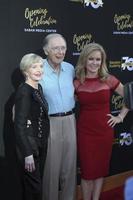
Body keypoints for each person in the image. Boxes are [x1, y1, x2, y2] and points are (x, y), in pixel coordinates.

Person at [74, 43, 129, 200]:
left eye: (98, 59)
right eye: (91, 59)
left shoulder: (109, 80)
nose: (94, 63)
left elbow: (129, 96)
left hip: (104, 132)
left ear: (102, 61)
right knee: (87, 173)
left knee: (100, 170)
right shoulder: (77, 82)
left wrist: (120, 117)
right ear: (84, 59)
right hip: (85, 133)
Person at [40, 33, 76, 200]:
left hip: (70, 121)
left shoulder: (70, 68)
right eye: (56, 48)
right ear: (46, 50)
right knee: (51, 170)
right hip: (50, 123)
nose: (60, 52)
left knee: (69, 168)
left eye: (63, 48)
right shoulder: (38, 69)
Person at [14, 53, 49, 200]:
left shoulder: (38, 87)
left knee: (36, 186)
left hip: (40, 143)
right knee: (34, 189)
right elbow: (19, 125)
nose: (39, 70)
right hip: (29, 146)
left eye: (41, 66)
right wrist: (28, 154)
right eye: (34, 67)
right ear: (25, 70)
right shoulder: (24, 91)